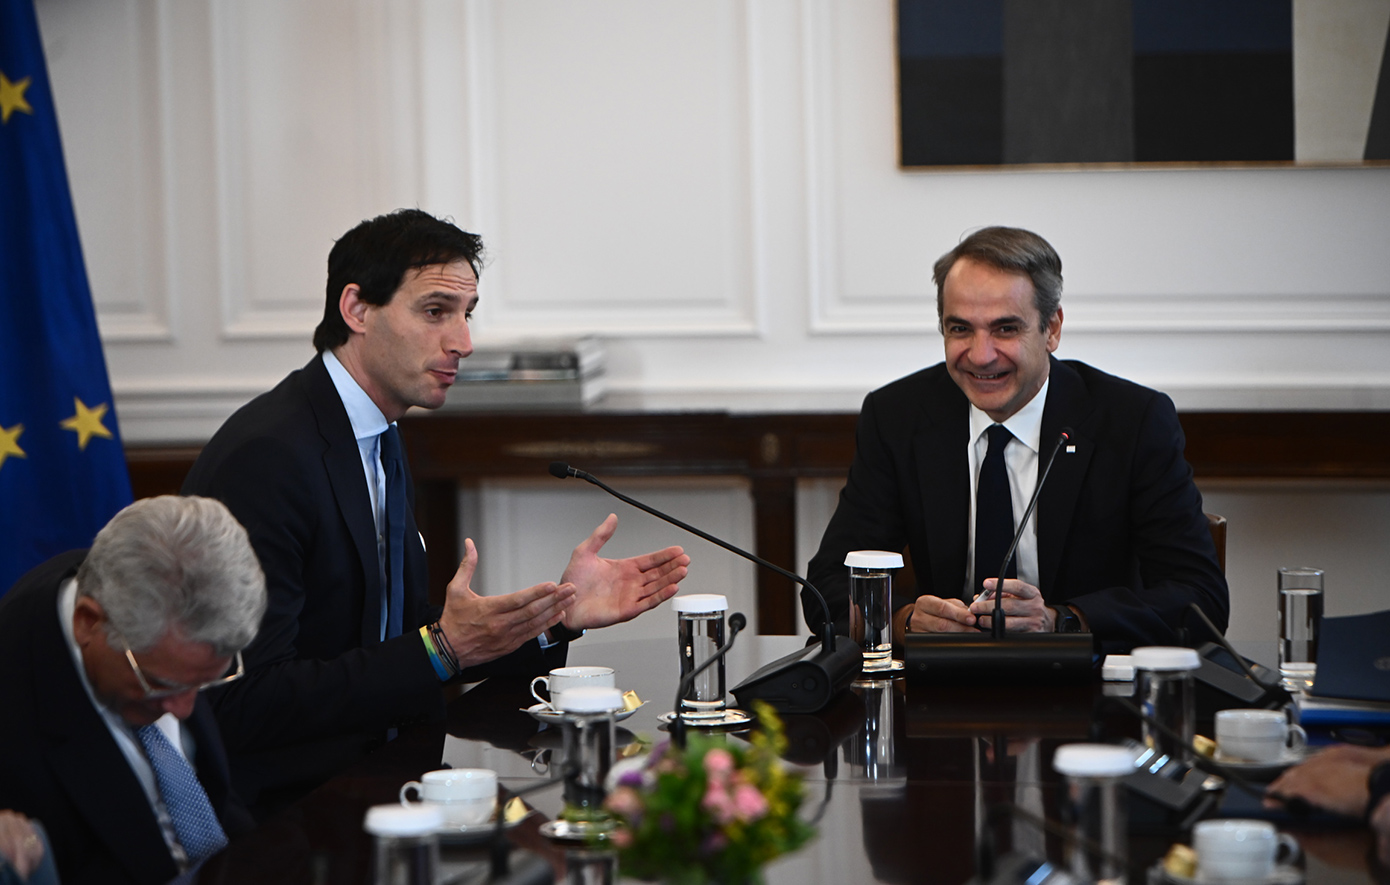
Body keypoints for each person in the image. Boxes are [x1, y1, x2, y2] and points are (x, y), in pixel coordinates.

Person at [182, 208, 690, 816]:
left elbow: (390, 634)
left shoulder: (379, 431)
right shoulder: (269, 456)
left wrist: (555, 618)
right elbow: (247, 699)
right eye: (435, 312)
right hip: (293, 812)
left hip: (390, 779)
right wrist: (442, 648)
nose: (463, 343)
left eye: (466, 313)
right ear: (357, 309)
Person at [805, 226, 1228, 655]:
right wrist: (904, 621)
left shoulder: (1132, 421)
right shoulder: (898, 417)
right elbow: (827, 586)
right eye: (960, 329)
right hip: (942, 683)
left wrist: (1064, 621)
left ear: (1052, 329)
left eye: (1005, 329)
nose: (981, 355)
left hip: (1088, 684)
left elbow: (1200, 598)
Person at [0, 496, 265, 885]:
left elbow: (217, 802)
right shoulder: (15, 712)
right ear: (88, 623)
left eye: (204, 682)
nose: (184, 709)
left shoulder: (163, 622)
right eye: (161, 685)